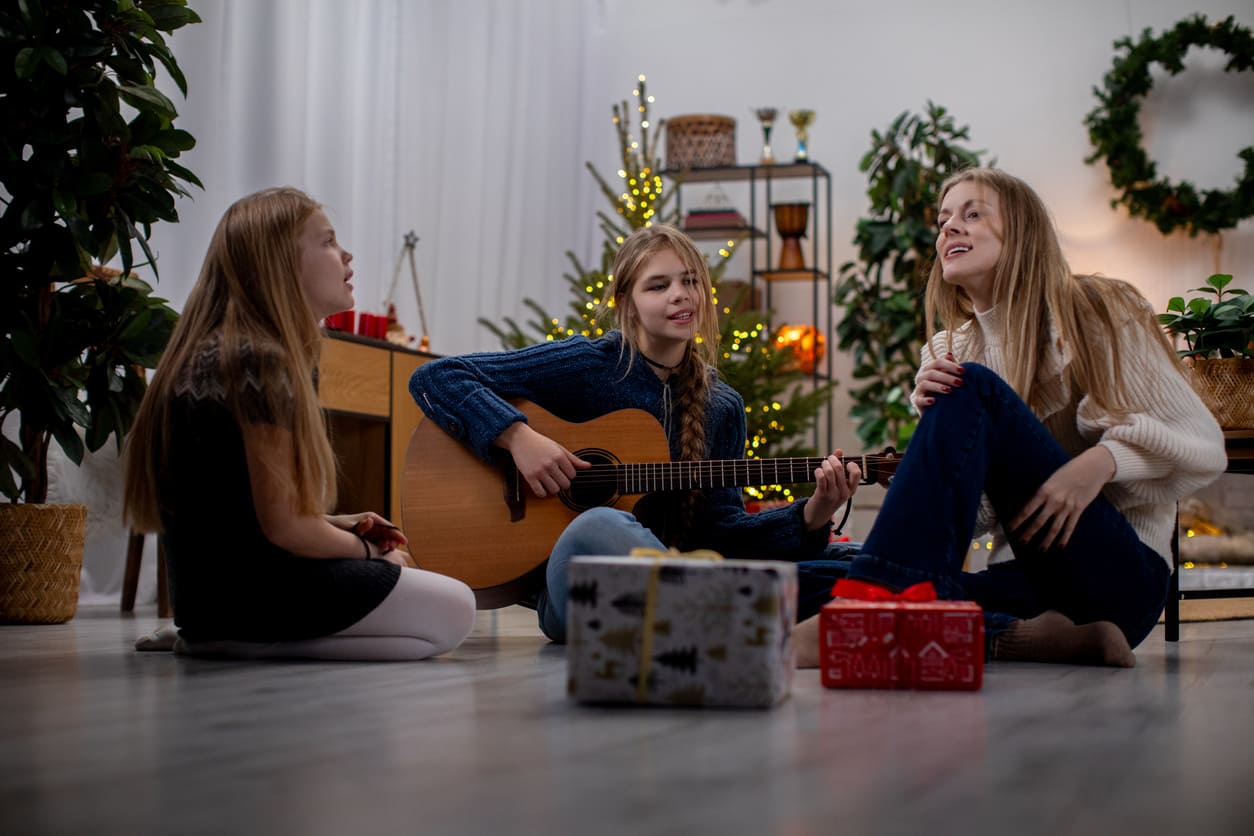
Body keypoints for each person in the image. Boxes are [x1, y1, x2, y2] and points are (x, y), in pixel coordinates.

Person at [794, 168, 1226, 668]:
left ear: (1021, 231)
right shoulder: (947, 350)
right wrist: (938, 446)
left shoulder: (1098, 308)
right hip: (1025, 586)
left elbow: (1203, 445)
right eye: (943, 220)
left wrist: (1099, 464)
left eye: (972, 214)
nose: (949, 229)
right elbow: (979, 519)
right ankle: (1027, 639)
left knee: (968, 384)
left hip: (1118, 579)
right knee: (806, 579)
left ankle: (857, 616)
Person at [410, 223, 862, 643]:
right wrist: (517, 438)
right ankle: (720, 603)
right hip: (576, 590)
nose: (680, 296)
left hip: (660, 593)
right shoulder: (589, 365)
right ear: (626, 301)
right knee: (600, 523)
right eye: (659, 285)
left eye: (690, 282)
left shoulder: (722, 405)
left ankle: (709, 606)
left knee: (859, 561)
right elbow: (438, 377)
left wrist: (814, 512)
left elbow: (721, 536)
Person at [123, 187, 475, 660]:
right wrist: (372, 553)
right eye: (328, 242)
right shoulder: (260, 361)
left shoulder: (227, 350)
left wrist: (336, 526)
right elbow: (285, 529)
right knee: (456, 608)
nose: (346, 254)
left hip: (208, 597)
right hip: (253, 594)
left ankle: (220, 635)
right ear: (280, 263)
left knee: (429, 609)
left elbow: (237, 511)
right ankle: (235, 642)